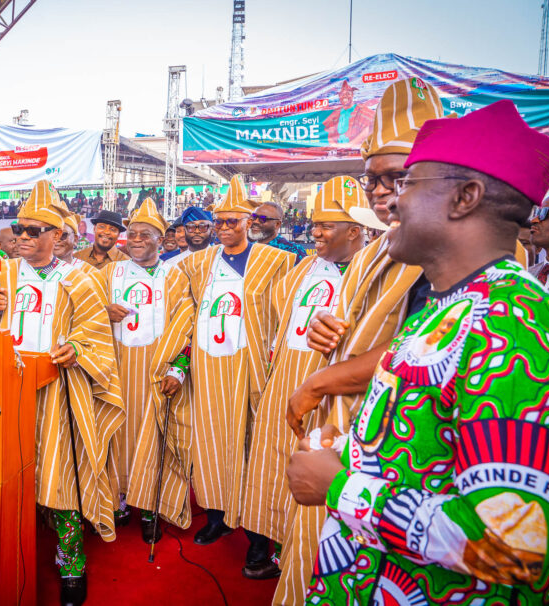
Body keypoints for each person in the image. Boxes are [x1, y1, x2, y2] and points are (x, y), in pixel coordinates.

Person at [288, 99, 549, 605]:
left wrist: (341, 488)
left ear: (465, 197)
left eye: (407, 183)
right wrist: (354, 454)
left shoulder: (511, 325)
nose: (390, 202)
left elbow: (517, 547)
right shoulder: (446, 310)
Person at [0, 180, 124, 605]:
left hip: (57, 394)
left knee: (60, 482)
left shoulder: (81, 278)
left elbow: (96, 336)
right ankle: (5, 553)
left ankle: (71, 565)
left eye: (32, 231)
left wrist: (76, 348)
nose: (21, 237)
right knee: (8, 478)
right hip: (6, 393)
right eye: (19, 230)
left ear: (56, 235)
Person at [150, 175, 294, 550]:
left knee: (254, 450)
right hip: (208, 370)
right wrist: (176, 365)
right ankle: (217, 518)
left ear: (250, 221)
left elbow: (285, 317)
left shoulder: (278, 261)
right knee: (209, 448)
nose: (225, 227)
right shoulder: (196, 265)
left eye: (233, 220)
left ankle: (259, 535)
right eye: (220, 222)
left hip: (253, 371)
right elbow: (184, 316)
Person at [240, 177, 366, 587]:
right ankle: (262, 547)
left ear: (355, 231)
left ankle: (304, 562)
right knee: (270, 463)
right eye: (314, 224)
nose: (314, 232)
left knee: (316, 471)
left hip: (333, 394)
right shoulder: (302, 268)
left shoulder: (372, 275)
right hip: (285, 384)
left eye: (325, 225)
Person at [89, 199, 193, 542]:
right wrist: (103, 311)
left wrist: (178, 369)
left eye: (143, 234)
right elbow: (82, 315)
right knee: (116, 437)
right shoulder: (107, 274)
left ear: (160, 241)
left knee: (154, 439)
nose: (134, 239)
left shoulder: (176, 278)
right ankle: (117, 501)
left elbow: (188, 327)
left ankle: (150, 507)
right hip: (116, 372)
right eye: (130, 233)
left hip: (156, 373)